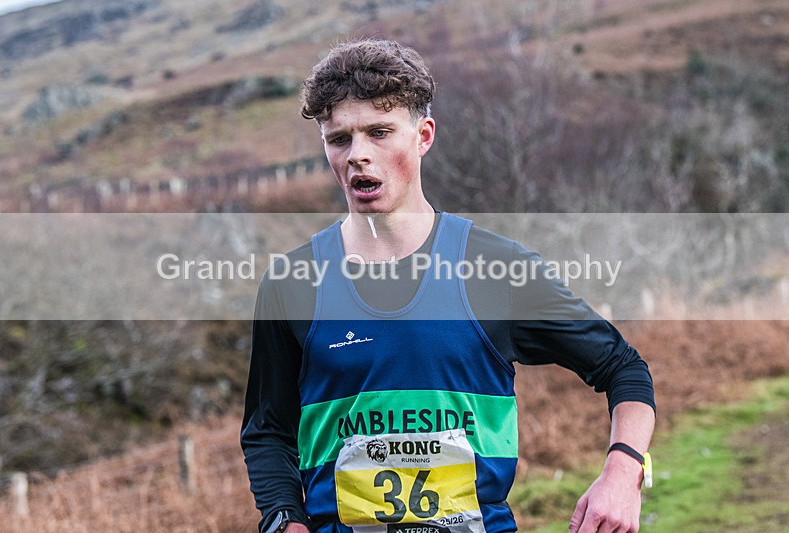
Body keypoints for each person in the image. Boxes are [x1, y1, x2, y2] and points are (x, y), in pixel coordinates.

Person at [241, 39, 655, 533]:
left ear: (423, 135)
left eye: (379, 133)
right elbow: (267, 431)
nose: (358, 156)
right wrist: (284, 518)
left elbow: (623, 369)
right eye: (339, 139)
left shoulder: (496, 268)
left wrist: (623, 472)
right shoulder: (292, 282)